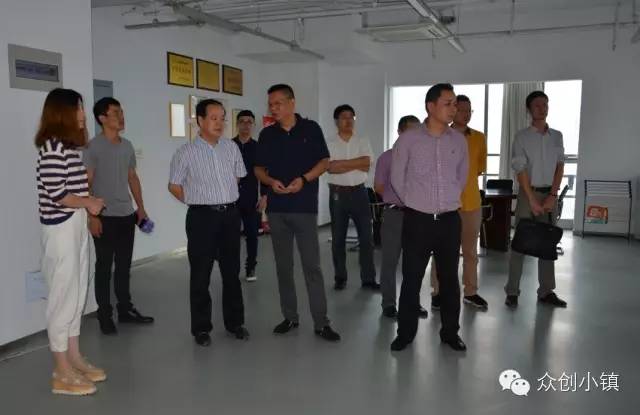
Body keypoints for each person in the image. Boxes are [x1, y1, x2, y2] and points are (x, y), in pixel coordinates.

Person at [255, 84, 340, 342]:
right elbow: (258, 169)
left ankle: (321, 322)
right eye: (270, 104)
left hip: (304, 208)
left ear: (292, 102)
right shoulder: (267, 134)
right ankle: (290, 317)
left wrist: (304, 179)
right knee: (283, 267)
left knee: (312, 266)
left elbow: (324, 162)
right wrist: (270, 182)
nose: (273, 108)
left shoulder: (311, 129)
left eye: (278, 103)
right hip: (277, 210)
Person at [36, 88, 106, 395]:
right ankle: (61, 371)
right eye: (78, 107)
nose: (82, 113)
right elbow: (58, 195)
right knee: (62, 298)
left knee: (77, 296)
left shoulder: (67, 149)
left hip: (75, 225)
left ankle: (74, 358)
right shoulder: (52, 149)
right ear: (62, 112)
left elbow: (71, 191)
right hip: (61, 229)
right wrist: (89, 202)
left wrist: (88, 205)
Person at [390, 83, 468, 352]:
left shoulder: (458, 140)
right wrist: (413, 202)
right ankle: (405, 333)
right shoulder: (408, 140)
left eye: (455, 104)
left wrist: (447, 201)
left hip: (449, 220)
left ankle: (450, 333)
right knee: (412, 278)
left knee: (449, 280)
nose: (453, 108)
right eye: (448, 103)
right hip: (418, 220)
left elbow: (461, 177)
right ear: (431, 106)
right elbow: (397, 178)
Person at [169, 99, 249, 347]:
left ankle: (235, 323)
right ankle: (201, 328)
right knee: (201, 274)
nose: (219, 123)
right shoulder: (185, 152)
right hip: (202, 218)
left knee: (231, 272)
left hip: (230, 216)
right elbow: (174, 185)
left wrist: (222, 199)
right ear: (200, 121)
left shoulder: (231, 148)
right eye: (213, 118)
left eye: (222, 118)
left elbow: (238, 178)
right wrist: (196, 201)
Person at [84, 97, 154, 335]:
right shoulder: (92, 147)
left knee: (124, 266)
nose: (121, 116)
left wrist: (140, 208)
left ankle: (125, 310)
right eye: (115, 112)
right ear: (102, 118)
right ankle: (104, 315)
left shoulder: (127, 146)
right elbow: (86, 183)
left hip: (126, 215)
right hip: (104, 217)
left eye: (121, 112)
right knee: (104, 267)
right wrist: (92, 217)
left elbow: (132, 177)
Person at [505, 90, 567, 309]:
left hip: (549, 195)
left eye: (545, 104)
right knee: (520, 242)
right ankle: (512, 291)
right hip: (527, 193)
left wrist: (553, 195)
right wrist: (531, 199)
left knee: (548, 243)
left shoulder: (557, 136)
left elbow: (560, 166)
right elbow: (520, 169)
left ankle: (546, 291)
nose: (542, 108)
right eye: (538, 105)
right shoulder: (521, 137)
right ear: (529, 110)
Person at [430, 95, 489, 311]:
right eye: (461, 109)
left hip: (471, 202)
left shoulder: (479, 138)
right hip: (445, 203)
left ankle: (470, 292)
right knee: (442, 251)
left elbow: (479, 168)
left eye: (469, 110)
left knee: (470, 251)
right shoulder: (441, 135)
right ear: (453, 110)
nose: (465, 114)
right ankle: (438, 291)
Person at [374, 115, 429, 319]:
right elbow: (379, 187)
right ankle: (388, 303)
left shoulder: (422, 157)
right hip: (394, 214)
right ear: (399, 132)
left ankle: (412, 302)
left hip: (417, 215)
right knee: (390, 261)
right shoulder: (387, 157)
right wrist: (398, 195)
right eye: (410, 131)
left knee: (414, 263)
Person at [327, 104, 379, 291]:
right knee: (338, 238)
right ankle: (340, 277)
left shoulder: (362, 140)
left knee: (367, 238)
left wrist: (342, 164)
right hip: (337, 194)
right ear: (336, 121)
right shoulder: (329, 142)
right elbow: (330, 168)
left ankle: (368, 279)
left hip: (359, 193)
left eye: (351, 117)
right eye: (344, 117)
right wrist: (356, 163)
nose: (348, 121)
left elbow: (367, 163)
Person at [233, 110, 267, 282]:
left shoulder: (259, 147)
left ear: (253, 125)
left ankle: (251, 267)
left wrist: (264, 196)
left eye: (249, 122)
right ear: (237, 124)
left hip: (251, 199)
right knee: (231, 237)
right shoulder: (228, 146)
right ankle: (232, 269)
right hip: (230, 199)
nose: (245, 125)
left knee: (252, 235)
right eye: (242, 121)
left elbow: (265, 174)